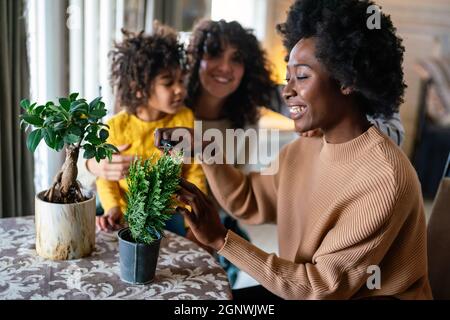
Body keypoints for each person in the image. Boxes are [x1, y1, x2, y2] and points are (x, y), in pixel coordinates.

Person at [155, 0, 432, 300]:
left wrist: (222, 239)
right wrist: (204, 148)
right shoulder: (303, 148)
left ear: (347, 80)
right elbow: (249, 200)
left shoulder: (384, 179)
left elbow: (320, 288)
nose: (287, 91)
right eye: (288, 77)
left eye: (301, 76)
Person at [94, 23, 206, 232]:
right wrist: (112, 208)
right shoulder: (116, 127)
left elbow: (194, 169)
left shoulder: (184, 117)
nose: (180, 89)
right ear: (139, 89)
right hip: (129, 213)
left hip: (173, 213)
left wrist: (194, 211)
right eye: (168, 83)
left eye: (181, 80)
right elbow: (106, 177)